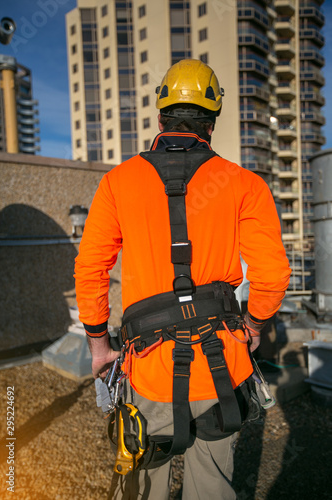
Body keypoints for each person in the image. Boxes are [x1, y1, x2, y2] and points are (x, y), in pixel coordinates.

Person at [74, 59, 291, 499]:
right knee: (211, 486)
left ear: (161, 117)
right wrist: (252, 327)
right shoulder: (245, 184)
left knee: (142, 485)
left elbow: (90, 267)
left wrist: (100, 347)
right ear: (211, 122)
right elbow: (272, 274)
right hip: (221, 368)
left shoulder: (119, 182)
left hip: (148, 366)